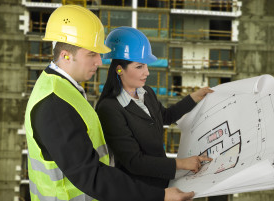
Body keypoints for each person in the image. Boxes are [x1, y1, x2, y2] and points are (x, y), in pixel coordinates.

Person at [24, 5, 195, 201]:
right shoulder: (55, 105)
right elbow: (91, 175)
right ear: (65, 55)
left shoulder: (62, 89)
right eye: (92, 54)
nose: (100, 61)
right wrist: (159, 196)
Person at [96, 27, 213, 189]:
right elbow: (134, 162)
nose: (147, 72)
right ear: (119, 69)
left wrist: (195, 97)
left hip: (161, 183)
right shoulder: (109, 109)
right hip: (138, 191)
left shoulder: (146, 93)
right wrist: (182, 164)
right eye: (139, 67)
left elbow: (165, 116)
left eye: (146, 66)